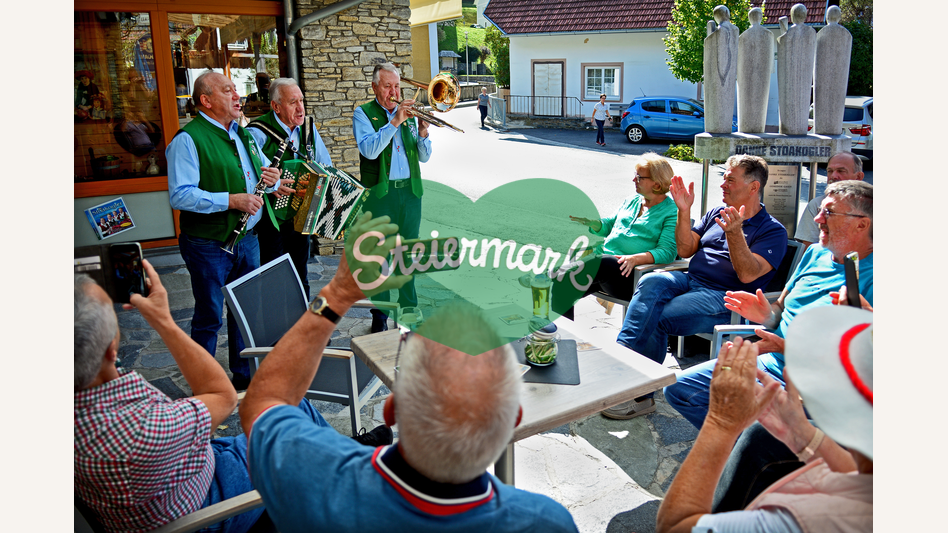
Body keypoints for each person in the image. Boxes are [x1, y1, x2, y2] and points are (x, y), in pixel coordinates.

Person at [239, 213, 579, 533]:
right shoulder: (547, 523)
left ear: (391, 410)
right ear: (513, 419)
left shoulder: (314, 480)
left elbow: (265, 401)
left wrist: (336, 294)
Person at [665, 180, 873, 430]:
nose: (817, 218)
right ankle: (744, 458)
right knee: (678, 388)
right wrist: (764, 314)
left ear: (862, 223)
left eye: (828, 212)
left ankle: (752, 455)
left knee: (755, 428)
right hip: (768, 362)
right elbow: (779, 312)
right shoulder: (816, 253)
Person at [74, 261, 261, 532]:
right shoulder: (144, 428)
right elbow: (223, 396)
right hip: (206, 506)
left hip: (165, 491)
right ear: (110, 351)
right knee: (293, 412)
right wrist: (162, 319)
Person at [655, 305, 873, 533]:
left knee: (757, 439)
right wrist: (804, 436)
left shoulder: (806, 517)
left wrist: (720, 423)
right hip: (771, 365)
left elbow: (675, 527)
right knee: (683, 389)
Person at [604, 154, 787, 420]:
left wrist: (735, 232)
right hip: (691, 280)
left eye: (730, 180)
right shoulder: (715, 213)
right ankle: (622, 361)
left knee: (659, 317)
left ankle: (639, 392)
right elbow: (685, 248)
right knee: (651, 280)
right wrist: (684, 211)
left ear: (754, 187)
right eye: (723, 179)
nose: (722, 185)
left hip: (725, 298)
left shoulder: (772, 231)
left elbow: (748, 275)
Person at [167, 70, 282, 390]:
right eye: (228, 90)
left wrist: (274, 183)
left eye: (236, 90)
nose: (238, 96)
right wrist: (231, 201)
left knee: (246, 312)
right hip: (208, 244)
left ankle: (244, 378)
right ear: (206, 100)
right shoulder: (188, 139)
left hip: (248, 240)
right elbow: (180, 195)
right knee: (209, 316)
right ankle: (204, 385)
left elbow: (256, 178)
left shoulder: (243, 133)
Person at [352, 62, 433, 333]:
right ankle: (381, 314)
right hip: (381, 195)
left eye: (397, 86)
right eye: (387, 86)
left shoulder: (408, 115)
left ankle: (409, 308)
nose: (393, 91)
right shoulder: (363, 114)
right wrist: (394, 120)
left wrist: (422, 133)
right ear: (375, 87)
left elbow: (424, 156)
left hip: (410, 193)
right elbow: (370, 151)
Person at [552, 152, 678, 320]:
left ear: (656, 184)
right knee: (562, 289)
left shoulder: (671, 212)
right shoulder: (633, 200)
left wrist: (635, 258)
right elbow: (611, 224)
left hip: (631, 276)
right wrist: (594, 224)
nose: (634, 180)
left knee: (598, 264)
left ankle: (551, 274)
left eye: (639, 177)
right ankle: (558, 337)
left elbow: (668, 252)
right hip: (605, 268)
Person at [248, 77, 334, 300]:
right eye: (293, 102)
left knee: (300, 274)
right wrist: (271, 184)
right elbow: (253, 172)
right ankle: (277, 333)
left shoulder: (307, 128)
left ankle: (301, 328)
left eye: (302, 101)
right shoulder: (258, 132)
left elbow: (326, 166)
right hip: (271, 220)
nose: (300, 108)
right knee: (274, 277)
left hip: (301, 216)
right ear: (276, 106)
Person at [794, 151, 865, 246]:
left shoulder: (869, 205)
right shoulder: (817, 204)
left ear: (858, 177)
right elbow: (808, 249)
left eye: (841, 171)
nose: (833, 176)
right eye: (830, 171)